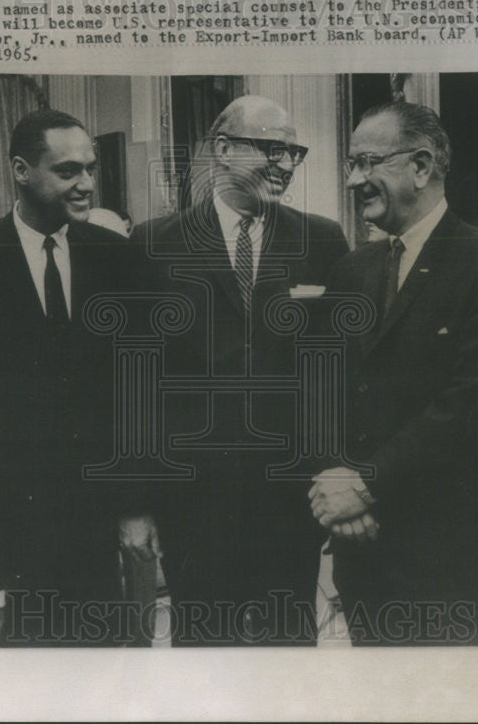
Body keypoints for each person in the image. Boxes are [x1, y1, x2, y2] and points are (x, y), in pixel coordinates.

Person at [309, 102, 478, 645]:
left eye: (368, 162)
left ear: (422, 167)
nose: (356, 179)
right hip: (360, 551)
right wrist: (334, 476)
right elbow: (320, 387)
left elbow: (470, 403)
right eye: (352, 165)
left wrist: (364, 485)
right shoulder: (351, 269)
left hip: (445, 556)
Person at [0, 109, 146, 646]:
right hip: (6, 533)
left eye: (90, 168)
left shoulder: (116, 258)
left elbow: (138, 392)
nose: (87, 183)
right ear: (21, 170)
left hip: (96, 528)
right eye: (68, 170)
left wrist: (136, 502)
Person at [132, 95, 350, 645]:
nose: (284, 164)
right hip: (193, 507)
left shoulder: (322, 240)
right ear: (224, 150)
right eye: (271, 149)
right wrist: (138, 503)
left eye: (293, 152)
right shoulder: (155, 244)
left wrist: (332, 476)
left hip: (288, 507)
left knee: (288, 652)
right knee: (205, 658)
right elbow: (136, 384)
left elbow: (336, 374)